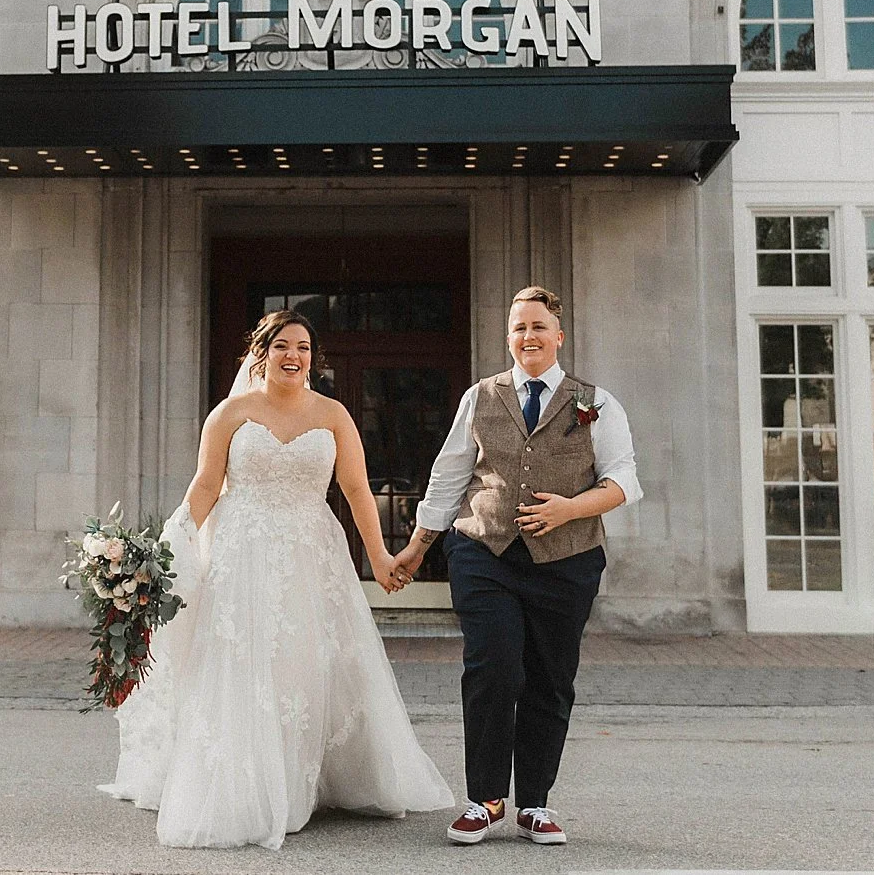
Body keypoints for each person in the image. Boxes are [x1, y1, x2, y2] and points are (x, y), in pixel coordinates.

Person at [103, 310, 453, 849]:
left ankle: (302, 781)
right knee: (246, 663)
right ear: (261, 352)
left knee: (304, 665)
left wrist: (381, 558)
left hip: (313, 555)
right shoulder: (230, 413)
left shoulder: (334, 415)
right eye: (284, 345)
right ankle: (251, 785)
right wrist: (160, 554)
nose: (295, 355)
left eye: (305, 347)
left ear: (313, 358)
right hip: (241, 555)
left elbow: (358, 491)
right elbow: (204, 487)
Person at [392, 286, 641, 846]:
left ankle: (534, 803)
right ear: (509, 338)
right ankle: (483, 800)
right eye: (518, 328)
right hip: (484, 553)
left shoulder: (596, 402)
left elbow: (625, 479)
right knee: (492, 668)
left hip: (568, 561)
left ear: (559, 335)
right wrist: (417, 547)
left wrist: (570, 509)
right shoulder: (480, 397)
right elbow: (450, 476)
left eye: (537, 326)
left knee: (550, 680)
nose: (527, 336)